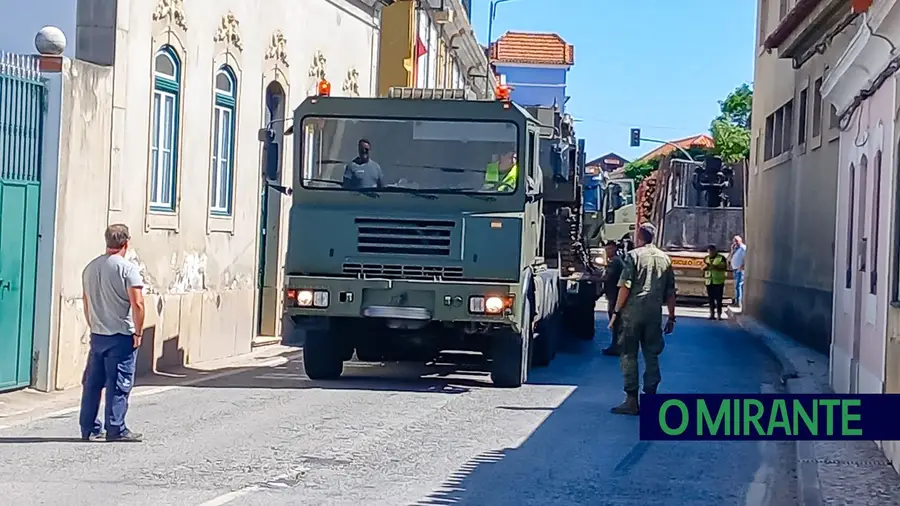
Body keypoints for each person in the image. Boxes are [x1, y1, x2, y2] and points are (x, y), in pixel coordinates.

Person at [79, 224, 145, 442]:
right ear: (126, 242)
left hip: (98, 334)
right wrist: (138, 331)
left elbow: (86, 301)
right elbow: (137, 303)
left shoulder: (90, 268)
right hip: (121, 335)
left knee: (93, 383)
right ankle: (115, 427)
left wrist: (93, 325)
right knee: (119, 383)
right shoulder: (128, 269)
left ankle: (88, 427)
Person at [608, 223, 676, 415]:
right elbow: (671, 292)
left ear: (639, 237)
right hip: (654, 314)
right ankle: (651, 397)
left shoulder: (633, 256)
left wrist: (615, 312)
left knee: (629, 355)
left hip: (632, 314)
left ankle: (631, 400)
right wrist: (671, 317)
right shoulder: (665, 258)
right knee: (651, 354)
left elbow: (625, 286)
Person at [601, 240, 625, 356]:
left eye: (608, 249)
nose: (607, 251)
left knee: (615, 322)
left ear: (614, 249)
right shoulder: (617, 260)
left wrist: (592, 278)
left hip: (615, 297)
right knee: (617, 323)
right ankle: (617, 346)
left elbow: (606, 277)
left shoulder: (615, 262)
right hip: (615, 295)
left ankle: (616, 347)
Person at [702, 244, 728, 320]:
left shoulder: (721, 258)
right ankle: (712, 314)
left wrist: (714, 266)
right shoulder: (706, 258)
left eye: (712, 251)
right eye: (709, 251)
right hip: (709, 281)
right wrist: (705, 267)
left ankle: (719, 315)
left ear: (715, 251)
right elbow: (702, 267)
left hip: (718, 281)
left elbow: (724, 267)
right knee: (711, 299)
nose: (710, 252)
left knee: (719, 299)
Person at [729, 235, 746, 307]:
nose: (735, 242)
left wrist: (742, 266)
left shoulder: (743, 248)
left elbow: (745, 258)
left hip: (740, 269)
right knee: (736, 285)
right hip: (735, 268)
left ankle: (738, 302)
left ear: (740, 241)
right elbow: (730, 257)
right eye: (734, 241)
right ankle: (736, 300)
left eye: (736, 241)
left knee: (738, 285)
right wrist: (732, 250)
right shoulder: (735, 248)